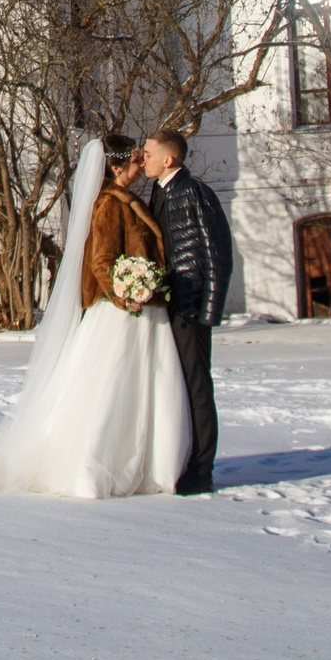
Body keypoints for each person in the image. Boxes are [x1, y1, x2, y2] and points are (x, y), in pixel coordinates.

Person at [0, 138, 188, 499]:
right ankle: (90, 469)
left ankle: (146, 466)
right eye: (136, 160)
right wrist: (126, 292)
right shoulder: (109, 204)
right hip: (120, 315)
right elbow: (101, 262)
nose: (142, 165)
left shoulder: (131, 200)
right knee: (109, 391)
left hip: (142, 313)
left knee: (139, 390)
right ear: (116, 167)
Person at [139, 127, 231, 496]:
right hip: (171, 305)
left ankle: (201, 470)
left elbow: (218, 256)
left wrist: (207, 312)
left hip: (190, 307)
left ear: (168, 159)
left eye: (147, 152)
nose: (141, 158)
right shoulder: (160, 192)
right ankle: (180, 459)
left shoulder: (194, 193)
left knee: (197, 387)